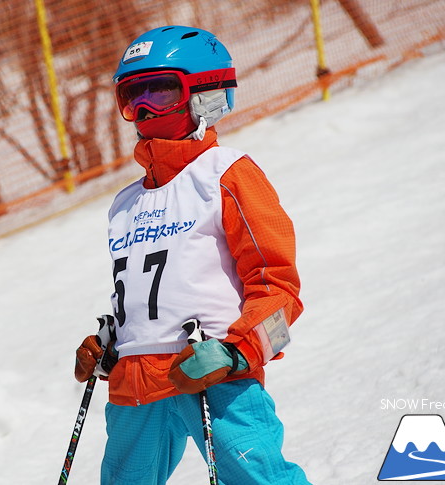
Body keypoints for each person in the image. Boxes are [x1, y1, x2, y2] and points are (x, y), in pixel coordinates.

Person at [75, 25, 311, 484]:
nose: (143, 109)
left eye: (160, 92)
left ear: (206, 94)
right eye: (131, 97)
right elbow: (146, 293)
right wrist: (111, 345)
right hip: (134, 388)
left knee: (260, 478)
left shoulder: (227, 175)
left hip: (210, 374)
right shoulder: (125, 204)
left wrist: (238, 353)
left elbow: (282, 293)